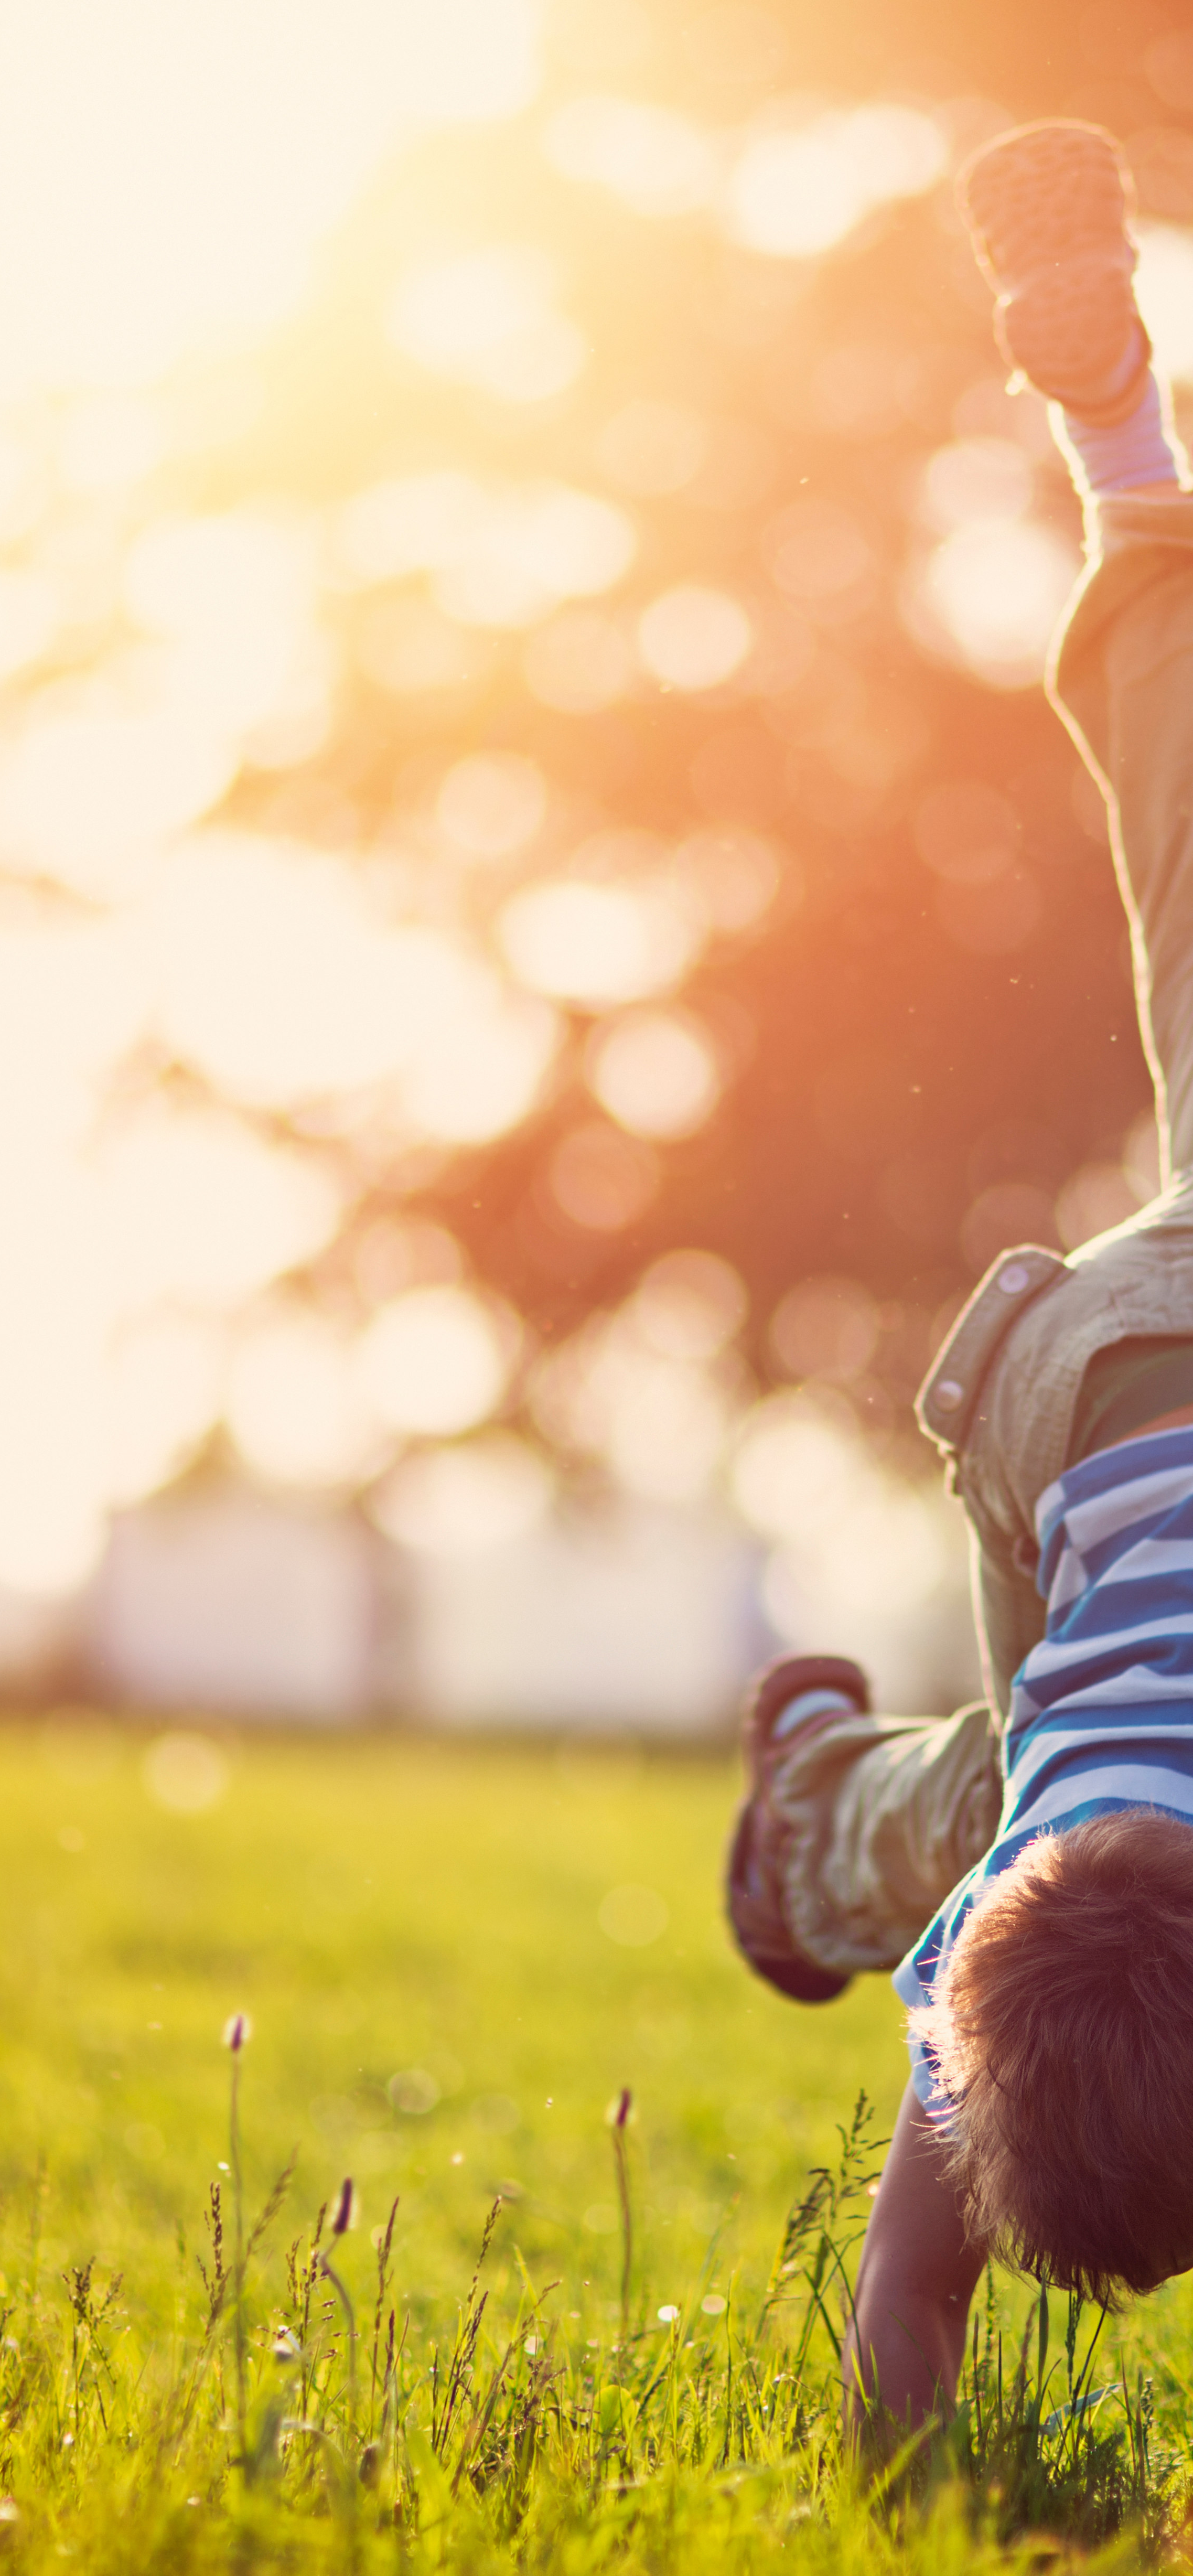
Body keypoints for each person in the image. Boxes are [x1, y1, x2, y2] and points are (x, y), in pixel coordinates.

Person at [723, 117, 1193, 2432]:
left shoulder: (986, 1999)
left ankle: (813, 1833)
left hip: (1091, 1388)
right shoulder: (994, 1965)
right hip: (1079, 1373)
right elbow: (903, 2329)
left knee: (1032, 1742)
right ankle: (1116, 430)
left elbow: (908, 2321)